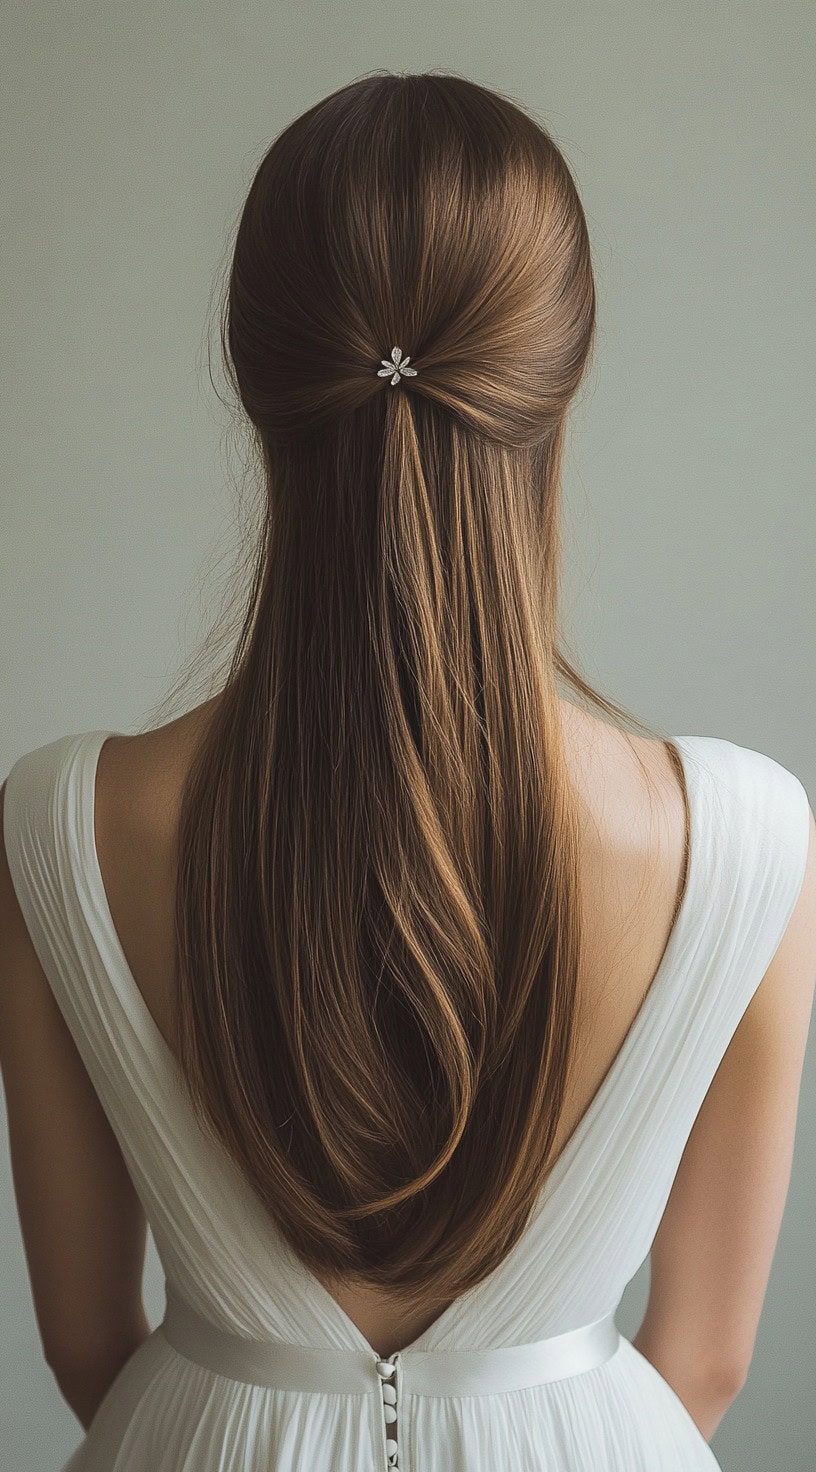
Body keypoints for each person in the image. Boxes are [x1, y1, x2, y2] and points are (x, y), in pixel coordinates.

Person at [1, 70, 814, 1472]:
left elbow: (84, 1340)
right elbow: (710, 1358)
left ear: (261, 375)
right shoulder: (744, 835)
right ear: (556, 373)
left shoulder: (66, 819)